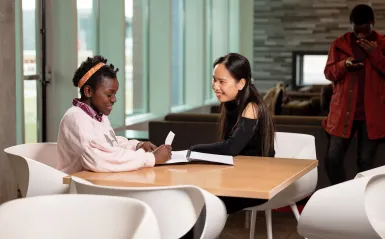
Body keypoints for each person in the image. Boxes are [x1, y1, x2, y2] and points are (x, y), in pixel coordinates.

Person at [189, 53, 276, 214]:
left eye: (222, 82)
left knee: (201, 202)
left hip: (255, 183)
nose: (215, 86)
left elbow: (231, 148)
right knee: (191, 196)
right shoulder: (231, 103)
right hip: (236, 175)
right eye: (214, 79)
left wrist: (193, 150)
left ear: (241, 83)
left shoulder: (252, 108)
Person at [56, 55, 171, 174]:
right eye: (109, 94)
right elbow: (99, 160)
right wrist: (151, 158)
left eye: (115, 94)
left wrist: (137, 146)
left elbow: (110, 144)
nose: (114, 99)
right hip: (76, 186)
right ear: (88, 91)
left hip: (96, 182)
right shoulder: (76, 118)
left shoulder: (100, 116)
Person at [323, 4, 385, 185]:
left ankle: (361, 200)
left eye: (365, 31)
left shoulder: (382, 44)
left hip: (372, 114)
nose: (361, 36)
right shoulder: (339, 44)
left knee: (365, 163)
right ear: (351, 25)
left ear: (372, 24)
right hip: (343, 112)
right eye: (356, 31)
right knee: (332, 159)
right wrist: (344, 65)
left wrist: (375, 55)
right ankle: (342, 193)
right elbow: (328, 73)